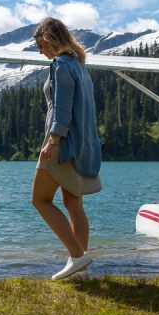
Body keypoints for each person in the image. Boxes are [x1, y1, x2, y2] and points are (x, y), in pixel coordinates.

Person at [31, 17, 102, 281]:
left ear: (50, 39)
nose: (40, 51)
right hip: (82, 144)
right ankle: (80, 269)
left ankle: (77, 256)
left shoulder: (60, 65)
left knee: (39, 199)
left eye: (40, 44)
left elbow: (61, 108)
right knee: (73, 203)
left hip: (61, 144)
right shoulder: (79, 65)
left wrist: (52, 141)